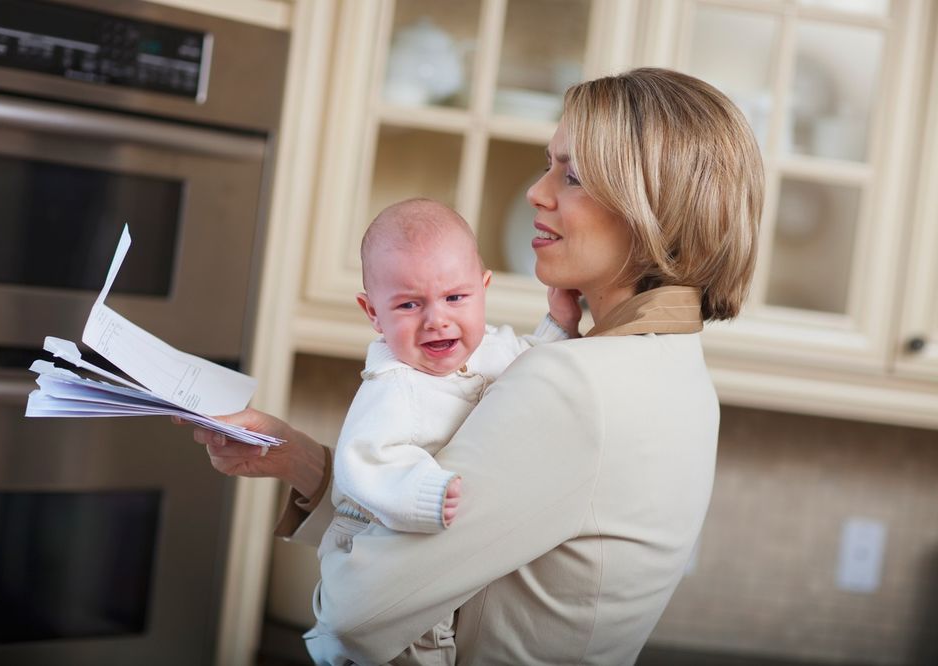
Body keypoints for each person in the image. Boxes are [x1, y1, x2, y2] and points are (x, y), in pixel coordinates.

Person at [190, 67, 763, 665]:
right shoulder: (676, 372)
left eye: (572, 175)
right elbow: (473, 538)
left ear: (653, 208)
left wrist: (348, 568)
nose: (537, 193)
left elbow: (356, 614)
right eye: (550, 165)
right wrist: (302, 460)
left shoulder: (576, 385)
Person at [318, 197, 579, 664]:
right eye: (408, 304)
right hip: (378, 538)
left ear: (483, 289)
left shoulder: (495, 349)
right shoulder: (392, 387)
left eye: (455, 298)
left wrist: (559, 324)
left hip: (442, 559)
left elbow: (535, 366)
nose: (436, 319)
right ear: (372, 312)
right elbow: (365, 460)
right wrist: (424, 493)